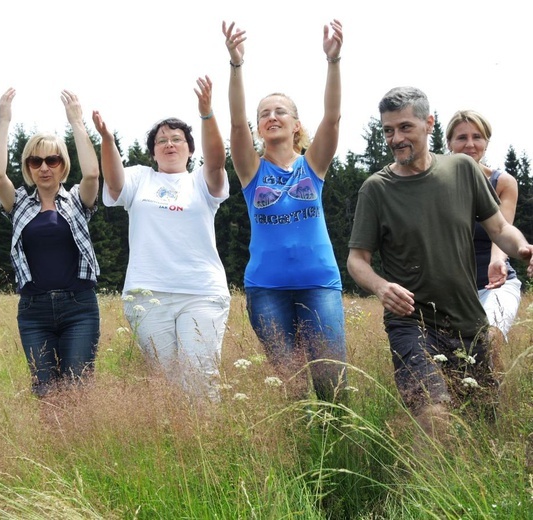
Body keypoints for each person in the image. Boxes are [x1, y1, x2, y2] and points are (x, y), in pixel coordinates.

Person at [347, 86, 533, 436]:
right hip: (412, 323)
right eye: (388, 130)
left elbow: (500, 229)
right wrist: (381, 286)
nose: (395, 138)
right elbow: (357, 260)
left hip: (468, 322)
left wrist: (524, 249)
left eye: (405, 128)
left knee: (483, 423)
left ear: (429, 123)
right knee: (434, 414)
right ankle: (415, 492)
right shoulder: (376, 189)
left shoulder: (462, 170)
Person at [221, 20, 346, 400]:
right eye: (264, 113)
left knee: (331, 383)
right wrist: (236, 66)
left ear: (296, 125)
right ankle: (298, 453)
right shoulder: (251, 170)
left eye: (281, 111)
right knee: (290, 386)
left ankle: (337, 445)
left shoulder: (314, 165)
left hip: (319, 284)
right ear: (259, 127)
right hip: (266, 289)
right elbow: (236, 127)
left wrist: (334, 61)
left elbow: (333, 117)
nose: (271, 116)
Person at [91, 76, 230, 400]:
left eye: (177, 139)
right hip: (147, 294)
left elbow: (217, 161)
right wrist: (107, 139)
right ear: (153, 152)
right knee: (167, 384)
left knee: (200, 379)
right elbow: (113, 182)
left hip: (201, 292)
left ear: (190, 149)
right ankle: (177, 446)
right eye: (162, 140)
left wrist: (207, 114)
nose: (169, 144)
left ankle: (209, 447)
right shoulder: (140, 178)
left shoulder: (201, 181)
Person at [0, 88, 101, 397]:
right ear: (28, 167)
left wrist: (77, 122)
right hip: (34, 310)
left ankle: (81, 446)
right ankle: (54, 445)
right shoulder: (19, 202)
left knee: (77, 389)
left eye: (52, 160)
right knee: (45, 392)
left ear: (62, 164)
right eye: (35, 161)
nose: (44, 168)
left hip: (79, 307)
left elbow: (92, 173)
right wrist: (4, 120)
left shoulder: (77, 199)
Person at [446, 110, 521, 376]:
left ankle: (492, 406)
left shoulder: (502, 183)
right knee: (454, 363)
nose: (470, 144)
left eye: (477, 137)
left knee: (487, 341)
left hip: (495, 284)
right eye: (461, 137)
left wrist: (498, 260)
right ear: (449, 144)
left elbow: (502, 230)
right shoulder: (437, 183)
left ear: (487, 142)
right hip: (452, 292)